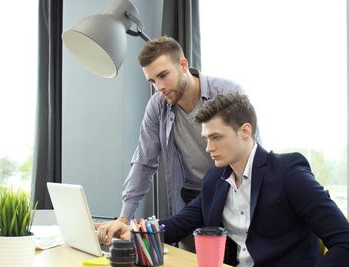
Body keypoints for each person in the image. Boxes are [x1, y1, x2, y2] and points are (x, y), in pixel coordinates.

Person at [98, 92, 349, 267]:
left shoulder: (288, 174)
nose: (208, 148)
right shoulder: (215, 180)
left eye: (216, 137)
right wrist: (133, 230)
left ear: (245, 131)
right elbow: (179, 225)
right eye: (206, 138)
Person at [98, 36, 249, 251]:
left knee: (235, 266)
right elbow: (143, 162)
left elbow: (251, 152)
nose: (159, 87)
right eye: (152, 81)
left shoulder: (227, 93)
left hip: (231, 194)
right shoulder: (158, 106)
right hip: (191, 201)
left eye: (163, 75)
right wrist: (124, 218)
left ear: (183, 65)